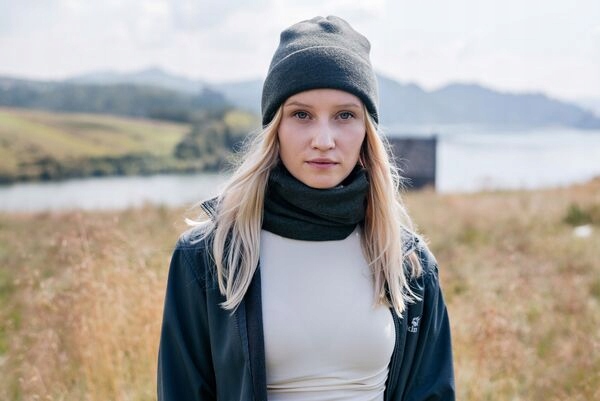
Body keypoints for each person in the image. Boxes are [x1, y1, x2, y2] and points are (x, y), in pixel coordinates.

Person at [157, 15, 455, 401]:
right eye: (301, 115)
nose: (323, 139)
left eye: (345, 115)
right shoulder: (208, 258)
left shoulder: (408, 263)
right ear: (275, 128)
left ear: (367, 130)